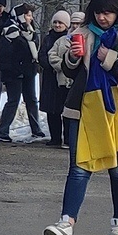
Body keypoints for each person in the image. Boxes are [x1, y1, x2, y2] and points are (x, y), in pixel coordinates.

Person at [43, 0, 118, 235]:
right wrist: (73, 57)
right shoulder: (81, 34)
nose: (102, 18)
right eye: (99, 12)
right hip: (84, 106)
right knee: (79, 166)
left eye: (108, 13)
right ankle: (66, 223)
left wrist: (110, 58)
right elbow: (67, 70)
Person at [0, 8, 46, 142]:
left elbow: (34, 45)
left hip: (28, 71)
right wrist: (15, 70)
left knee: (32, 100)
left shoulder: (29, 29)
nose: (31, 18)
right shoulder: (9, 30)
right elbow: (9, 54)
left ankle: (36, 129)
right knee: (13, 100)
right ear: (21, 16)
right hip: (14, 72)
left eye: (31, 15)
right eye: (28, 15)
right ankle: (2, 131)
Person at [39, 10, 73, 147]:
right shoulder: (47, 38)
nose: (57, 25)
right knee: (51, 110)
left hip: (64, 79)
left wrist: (60, 67)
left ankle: (67, 138)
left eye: (60, 23)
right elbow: (42, 56)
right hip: (49, 78)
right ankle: (54, 138)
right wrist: (50, 66)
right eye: (55, 22)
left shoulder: (70, 39)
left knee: (64, 110)